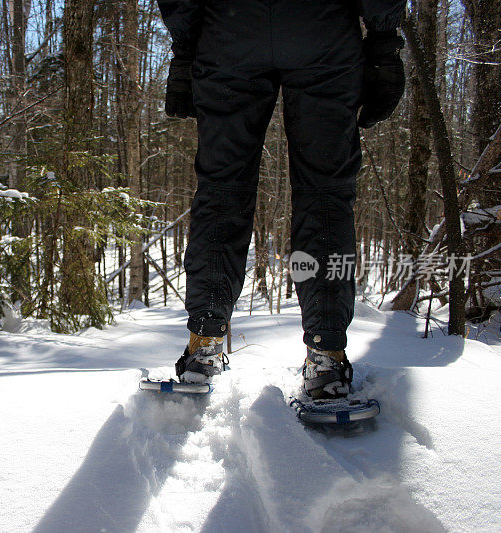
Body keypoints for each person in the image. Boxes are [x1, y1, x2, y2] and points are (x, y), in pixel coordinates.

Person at [158, 0, 406, 398]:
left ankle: (203, 345)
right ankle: (325, 356)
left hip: (229, 34)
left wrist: (185, 43)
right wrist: (383, 38)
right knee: (325, 195)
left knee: (222, 191)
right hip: (323, 33)